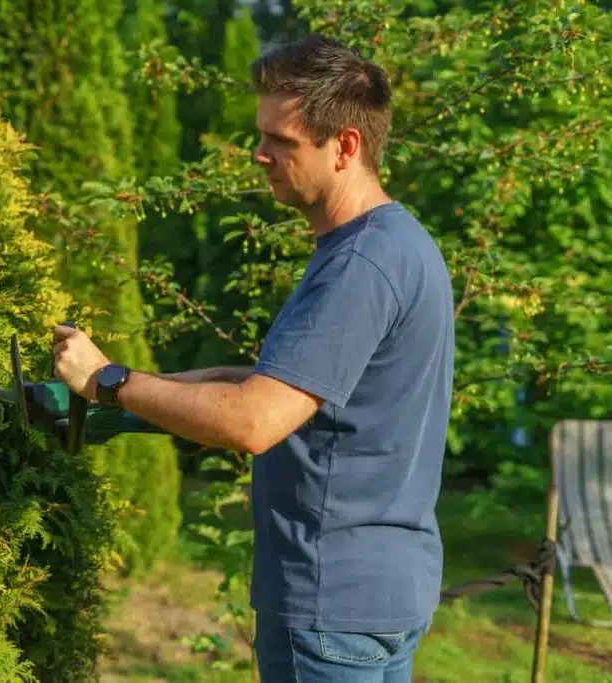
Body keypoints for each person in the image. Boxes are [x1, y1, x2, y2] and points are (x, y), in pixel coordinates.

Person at [52, 33, 455, 683]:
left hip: (328, 604)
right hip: (382, 593)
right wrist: (130, 399)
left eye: (282, 141)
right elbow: (275, 389)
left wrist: (109, 380)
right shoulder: (399, 243)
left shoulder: (360, 263)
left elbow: (253, 421)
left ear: (345, 146)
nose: (259, 155)